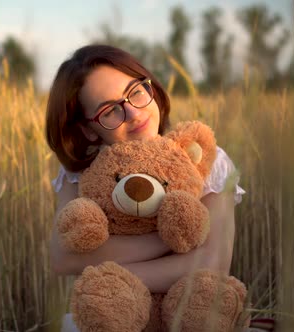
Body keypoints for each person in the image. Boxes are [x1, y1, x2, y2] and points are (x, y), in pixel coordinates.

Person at [45, 44, 254, 331]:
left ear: (150, 88)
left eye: (136, 91)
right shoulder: (79, 174)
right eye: (109, 110)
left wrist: (112, 284)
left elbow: (212, 262)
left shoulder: (204, 159)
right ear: (88, 129)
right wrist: (170, 241)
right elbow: (63, 258)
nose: (133, 113)